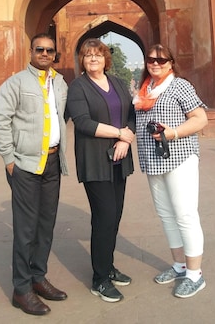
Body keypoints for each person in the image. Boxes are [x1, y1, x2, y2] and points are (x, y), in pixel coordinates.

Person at [0, 33, 68, 316]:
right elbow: (0, 122)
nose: (45, 54)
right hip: (24, 163)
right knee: (25, 229)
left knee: (45, 225)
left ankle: (38, 277)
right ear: (31, 52)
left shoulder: (60, 83)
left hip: (51, 163)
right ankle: (21, 289)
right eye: (40, 50)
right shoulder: (16, 83)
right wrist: (10, 160)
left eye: (50, 50)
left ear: (54, 54)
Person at [133, 43, 208, 299]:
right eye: (151, 59)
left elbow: (200, 119)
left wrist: (172, 132)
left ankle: (195, 275)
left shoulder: (179, 86)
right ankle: (179, 266)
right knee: (166, 215)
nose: (156, 63)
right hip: (154, 161)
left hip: (179, 157)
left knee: (185, 215)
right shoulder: (145, 90)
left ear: (171, 63)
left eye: (162, 60)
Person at [66, 38, 135, 303]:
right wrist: (120, 133)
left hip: (120, 158)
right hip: (95, 161)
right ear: (82, 61)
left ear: (106, 58)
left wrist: (123, 139)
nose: (93, 59)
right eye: (87, 56)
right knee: (104, 217)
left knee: (115, 216)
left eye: (98, 55)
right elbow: (82, 122)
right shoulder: (78, 87)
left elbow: (131, 114)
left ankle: (108, 265)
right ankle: (100, 279)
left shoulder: (117, 83)